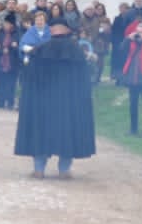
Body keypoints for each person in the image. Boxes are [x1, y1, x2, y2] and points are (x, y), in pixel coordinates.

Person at [15, 21, 98, 178]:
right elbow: (83, 80)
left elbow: (30, 77)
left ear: (51, 31)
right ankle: (64, 170)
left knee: (40, 131)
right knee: (68, 131)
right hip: (68, 101)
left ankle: (39, 169)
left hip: (43, 100)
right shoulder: (77, 51)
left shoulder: (40, 50)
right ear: (67, 31)